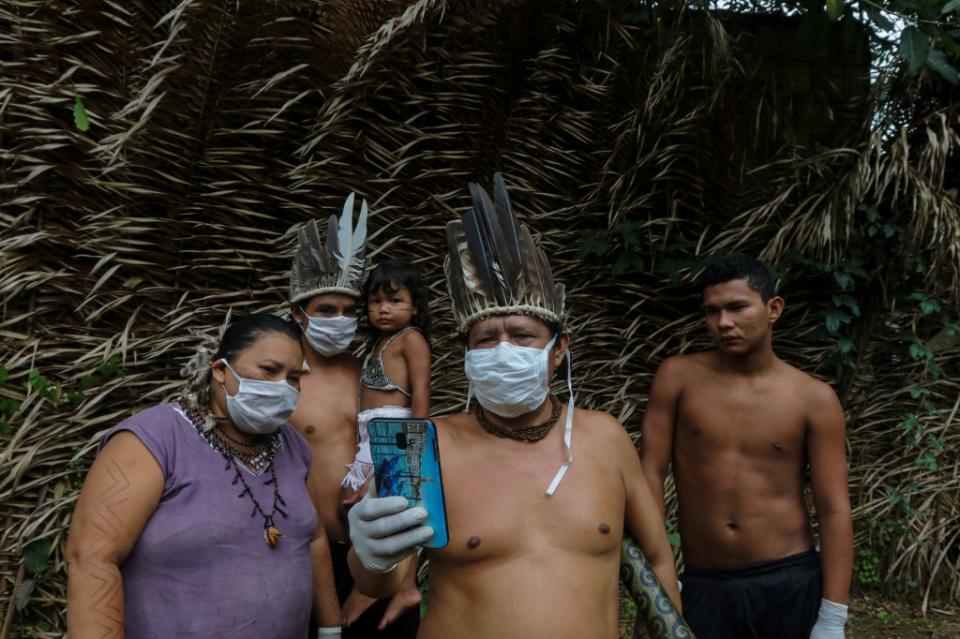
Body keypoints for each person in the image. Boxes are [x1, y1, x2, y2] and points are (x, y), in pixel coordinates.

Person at [343, 174, 682, 639]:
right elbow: (385, 582)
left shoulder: (604, 436)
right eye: (486, 339)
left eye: (522, 336)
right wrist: (369, 553)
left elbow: (659, 556)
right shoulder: (423, 446)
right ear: (466, 356)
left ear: (558, 349)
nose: (503, 350)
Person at [65, 314, 341, 638]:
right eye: (269, 370)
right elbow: (92, 560)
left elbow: (314, 537)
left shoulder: (293, 445)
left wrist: (330, 627)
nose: (284, 386)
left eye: (294, 377)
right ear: (221, 370)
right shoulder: (153, 439)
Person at [640, 254, 854, 639]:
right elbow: (650, 472)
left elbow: (834, 508)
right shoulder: (678, 378)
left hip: (788, 579)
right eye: (712, 311)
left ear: (773, 309)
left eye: (737, 307)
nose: (723, 323)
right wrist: (663, 570)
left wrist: (833, 616)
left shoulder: (813, 399)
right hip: (704, 579)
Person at [288, 196, 420, 637]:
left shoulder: (367, 373)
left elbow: (406, 448)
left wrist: (406, 568)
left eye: (348, 311)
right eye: (326, 310)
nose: (340, 321)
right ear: (298, 315)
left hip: (380, 552)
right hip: (307, 554)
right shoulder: (279, 384)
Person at [342, 258, 432, 495]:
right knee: (360, 500)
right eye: (376, 301)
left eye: (395, 301)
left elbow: (422, 390)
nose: (383, 309)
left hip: (393, 431)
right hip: (368, 430)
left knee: (356, 496)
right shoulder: (377, 344)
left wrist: (413, 444)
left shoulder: (411, 339)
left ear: (415, 307)